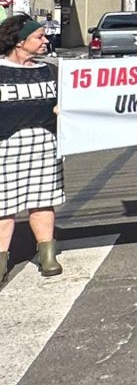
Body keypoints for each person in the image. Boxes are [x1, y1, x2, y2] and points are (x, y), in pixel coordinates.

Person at [0, 15, 64, 279]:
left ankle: (47, 254)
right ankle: (1, 259)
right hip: (5, 147)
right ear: (18, 42)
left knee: (43, 201)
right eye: (39, 36)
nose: (45, 40)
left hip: (44, 145)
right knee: (3, 207)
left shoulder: (49, 70)